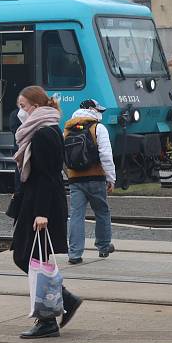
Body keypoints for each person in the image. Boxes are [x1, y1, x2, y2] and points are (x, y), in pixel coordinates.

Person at [11, 85, 82, 339]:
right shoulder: (42, 130)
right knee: (31, 259)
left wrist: (42, 213)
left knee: (27, 258)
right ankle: (58, 306)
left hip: (41, 208)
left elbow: (47, 177)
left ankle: (51, 316)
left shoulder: (43, 134)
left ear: (36, 106)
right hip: (36, 205)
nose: (20, 112)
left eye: (23, 107)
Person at [64, 99, 116, 263]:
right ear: (92, 110)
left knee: (76, 215)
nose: (100, 114)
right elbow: (106, 156)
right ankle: (103, 246)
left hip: (75, 179)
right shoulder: (98, 128)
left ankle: (74, 254)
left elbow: (62, 156)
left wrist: (68, 175)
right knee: (102, 212)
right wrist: (111, 178)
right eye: (98, 110)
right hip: (95, 177)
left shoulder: (67, 129)